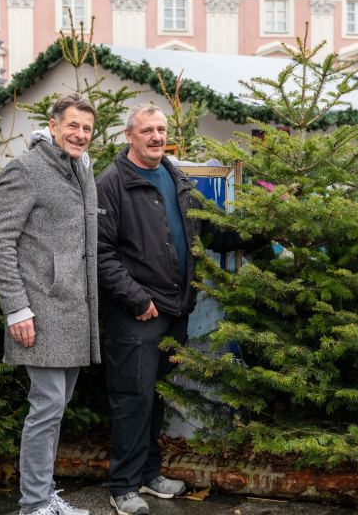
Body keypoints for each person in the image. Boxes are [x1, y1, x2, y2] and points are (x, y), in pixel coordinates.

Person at [96, 104, 261, 515]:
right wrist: (137, 299)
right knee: (132, 398)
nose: (155, 137)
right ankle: (122, 486)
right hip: (137, 313)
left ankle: (149, 475)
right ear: (129, 136)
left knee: (156, 396)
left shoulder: (175, 176)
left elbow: (208, 230)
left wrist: (264, 226)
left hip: (175, 309)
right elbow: (100, 253)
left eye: (161, 129)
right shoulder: (113, 183)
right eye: (147, 130)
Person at [0, 93, 101, 515]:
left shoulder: (80, 171)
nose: (80, 134)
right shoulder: (27, 170)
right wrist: (16, 308)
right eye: (73, 125)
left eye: (87, 128)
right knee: (47, 407)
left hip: (75, 309)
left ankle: (43, 495)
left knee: (55, 408)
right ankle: (33, 504)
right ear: (53, 125)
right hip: (40, 311)